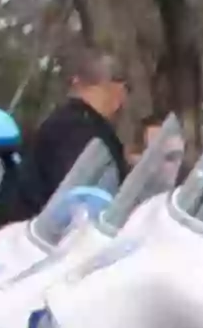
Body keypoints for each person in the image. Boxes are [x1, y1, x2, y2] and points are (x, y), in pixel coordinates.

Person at [14, 51, 130, 228]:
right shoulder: (80, 131)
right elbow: (81, 197)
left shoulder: (64, 122)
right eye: (125, 90)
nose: (124, 99)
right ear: (115, 88)